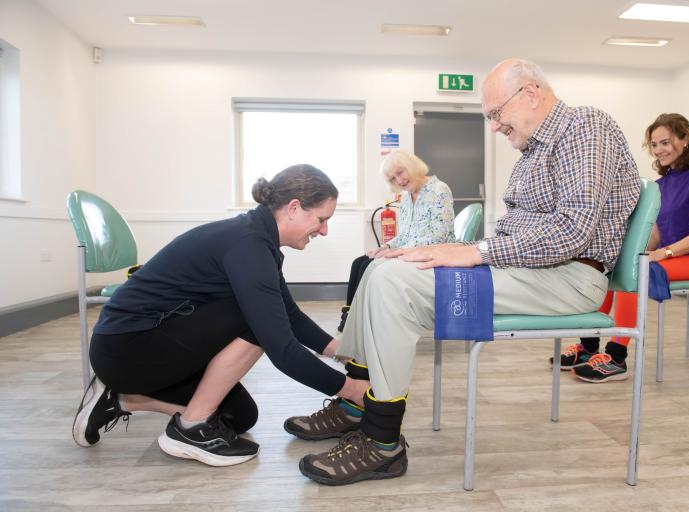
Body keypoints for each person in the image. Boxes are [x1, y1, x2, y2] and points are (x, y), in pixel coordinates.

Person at [283, 58, 641, 486]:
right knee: (381, 268)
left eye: (495, 114)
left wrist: (477, 252)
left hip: (569, 278)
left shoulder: (585, 128)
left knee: (393, 284)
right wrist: (452, 249)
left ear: (529, 94)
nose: (493, 127)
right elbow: (518, 236)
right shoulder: (533, 151)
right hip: (536, 270)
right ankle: (357, 400)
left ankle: (382, 442)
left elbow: (572, 232)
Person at [72, 164, 369, 467]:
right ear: (294, 208)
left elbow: (289, 314)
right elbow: (282, 349)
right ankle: (190, 427)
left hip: (145, 346)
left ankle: (118, 399)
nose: (324, 230)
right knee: (256, 317)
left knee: (239, 417)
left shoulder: (258, 240)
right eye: (321, 219)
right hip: (126, 348)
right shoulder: (248, 245)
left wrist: (341, 352)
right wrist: (355, 391)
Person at [558, 113, 689, 383]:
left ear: (684, 140)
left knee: (638, 273)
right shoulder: (662, 183)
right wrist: (629, 256)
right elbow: (656, 232)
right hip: (669, 256)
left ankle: (616, 357)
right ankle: (589, 348)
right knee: (615, 269)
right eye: (654, 144)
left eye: (665, 142)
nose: (659, 150)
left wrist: (661, 254)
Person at [339, 149, 456, 331]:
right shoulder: (406, 197)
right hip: (411, 251)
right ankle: (350, 316)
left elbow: (438, 235)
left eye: (400, 173)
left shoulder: (439, 190)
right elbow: (405, 234)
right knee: (359, 263)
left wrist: (397, 252)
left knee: (369, 267)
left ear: (411, 166)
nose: (399, 181)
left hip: (433, 255)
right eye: (393, 179)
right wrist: (385, 247)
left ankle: (358, 320)